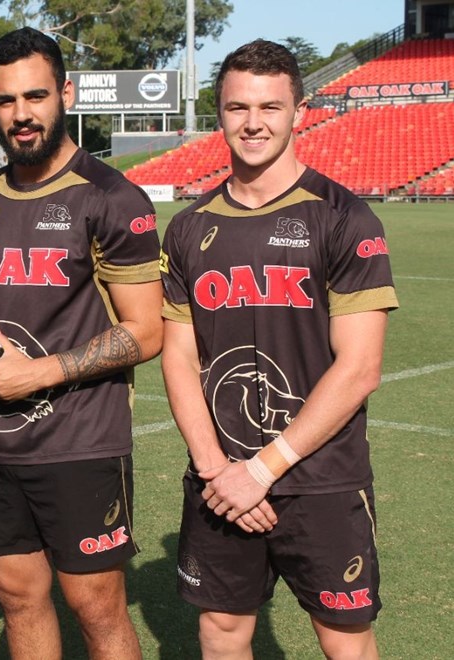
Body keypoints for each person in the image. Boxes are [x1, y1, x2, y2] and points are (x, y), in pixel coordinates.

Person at [159, 39, 398, 659]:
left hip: (321, 479)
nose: (253, 122)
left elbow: (360, 368)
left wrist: (260, 472)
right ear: (219, 112)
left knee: (345, 640)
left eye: (270, 106)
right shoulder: (188, 227)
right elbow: (178, 357)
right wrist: (218, 471)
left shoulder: (345, 218)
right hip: (219, 477)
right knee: (221, 631)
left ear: (299, 111)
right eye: (238, 107)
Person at [0, 27, 164, 660]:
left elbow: (146, 330)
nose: (21, 114)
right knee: (17, 598)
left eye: (36, 96)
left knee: (96, 606)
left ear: (66, 94)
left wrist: (38, 373)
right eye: (6, 100)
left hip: (81, 441)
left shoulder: (112, 197)